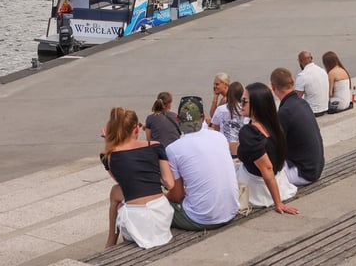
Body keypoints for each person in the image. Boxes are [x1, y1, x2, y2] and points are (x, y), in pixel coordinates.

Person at [101, 107, 175, 249]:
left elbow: (124, 180)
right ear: (136, 129)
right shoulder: (156, 146)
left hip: (135, 223)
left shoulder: (108, 155)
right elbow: (169, 183)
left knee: (116, 192)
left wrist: (108, 142)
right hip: (161, 216)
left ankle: (110, 242)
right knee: (120, 192)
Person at [165, 96, 239, 231]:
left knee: (158, 205)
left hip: (201, 219)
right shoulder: (219, 137)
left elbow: (177, 196)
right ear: (203, 117)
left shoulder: (173, 149)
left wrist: (165, 196)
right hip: (231, 211)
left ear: (177, 119)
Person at [236, 83, 299, 214]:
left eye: (244, 101)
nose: (240, 104)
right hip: (280, 182)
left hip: (257, 191)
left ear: (256, 104)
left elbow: (267, 168)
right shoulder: (274, 125)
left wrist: (278, 203)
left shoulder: (249, 133)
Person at [269, 67, 325, 186]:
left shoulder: (285, 112)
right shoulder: (302, 103)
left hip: (302, 173)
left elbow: (273, 145)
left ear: (273, 87)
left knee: (259, 171)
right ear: (293, 82)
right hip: (315, 167)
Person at [210, 81, 247, 157]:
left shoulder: (221, 109)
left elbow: (215, 129)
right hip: (242, 147)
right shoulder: (246, 109)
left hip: (225, 148)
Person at [295, 51, 329, 116]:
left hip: (312, 111)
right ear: (312, 58)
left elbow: (297, 98)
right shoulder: (322, 70)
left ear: (300, 61)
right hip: (325, 108)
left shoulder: (302, 75)